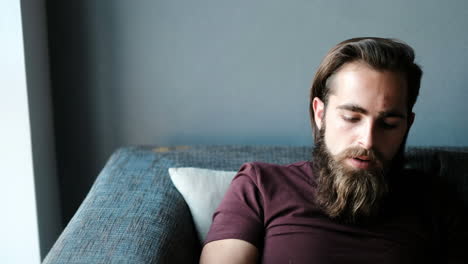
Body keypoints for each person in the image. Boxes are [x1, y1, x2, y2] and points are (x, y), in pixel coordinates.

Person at [199, 37, 465, 263]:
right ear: (320, 113)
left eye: (389, 124)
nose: (368, 141)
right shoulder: (260, 186)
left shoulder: (436, 201)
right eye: (351, 117)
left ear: (407, 124)